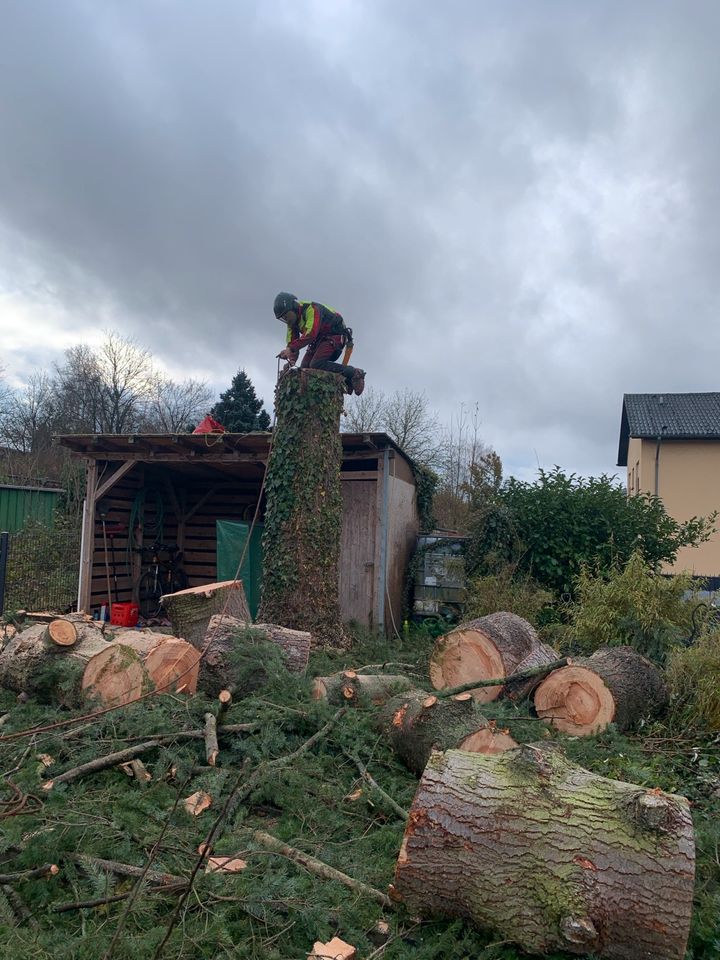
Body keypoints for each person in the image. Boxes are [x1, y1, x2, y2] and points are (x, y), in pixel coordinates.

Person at [273, 292, 365, 395]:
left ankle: (354, 373)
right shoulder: (292, 323)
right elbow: (292, 343)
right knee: (305, 368)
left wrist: (290, 350)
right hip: (319, 340)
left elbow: (311, 334)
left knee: (316, 364)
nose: (286, 319)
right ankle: (332, 385)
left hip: (335, 335)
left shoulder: (311, 309)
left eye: (286, 315)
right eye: (283, 318)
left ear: (293, 307)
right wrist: (292, 361)